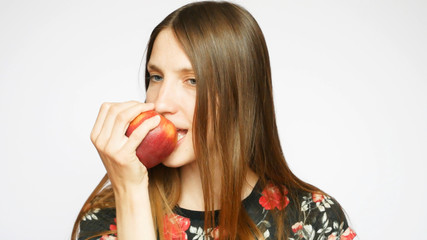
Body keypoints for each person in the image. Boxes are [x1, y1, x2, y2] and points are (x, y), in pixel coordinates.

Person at [72, 1, 356, 240]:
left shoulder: (313, 219)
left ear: (240, 96)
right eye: (156, 77)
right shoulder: (110, 218)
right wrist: (129, 190)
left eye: (192, 80)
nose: (160, 103)